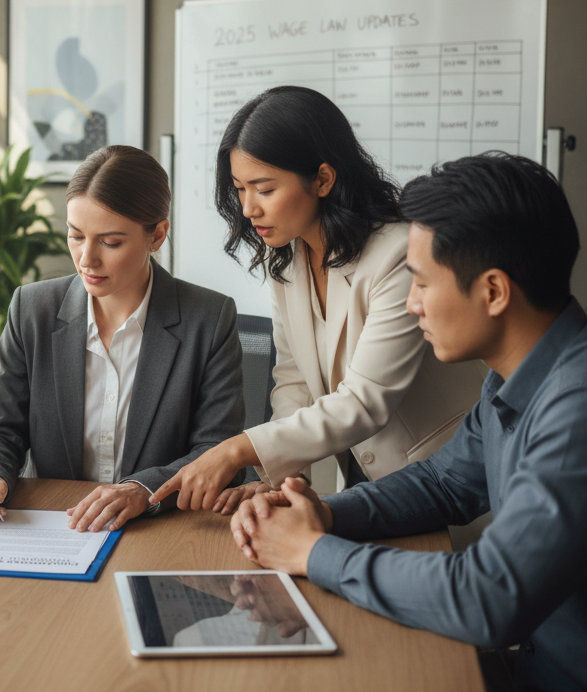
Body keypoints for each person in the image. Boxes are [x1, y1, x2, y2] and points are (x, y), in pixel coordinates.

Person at [231, 152, 587, 692]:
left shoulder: (575, 407)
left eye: (421, 281)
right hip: (533, 671)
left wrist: (313, 552)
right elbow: (445, 483)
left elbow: (488, 595)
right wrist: (323, 514)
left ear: (493, 291)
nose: (410, 302)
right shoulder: (514, 376)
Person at [150, 86, 485, 513]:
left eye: (264, 189)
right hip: (369, 485)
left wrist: (237, 450)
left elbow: (366, 401)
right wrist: (285, 480)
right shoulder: (288, 259)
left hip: (450, 481)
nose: (249, 208)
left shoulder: (396, 254)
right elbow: (294, 380)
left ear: (323, 179)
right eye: (239, 189)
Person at [0, 145, 245, 532]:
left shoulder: (208, 319)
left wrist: (143, 489)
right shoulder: (32, 309)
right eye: (76, 236)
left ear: (157, 235)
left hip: (161, 531)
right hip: (57, 526)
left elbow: (217, 450)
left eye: (110, 242)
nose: (86, 259)